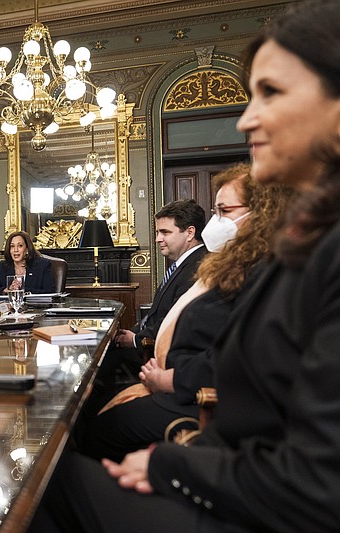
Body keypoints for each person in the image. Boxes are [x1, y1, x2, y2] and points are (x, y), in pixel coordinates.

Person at [30, 1, 340, 530]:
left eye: (273, 92)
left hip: (243, 509)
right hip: (223, 470)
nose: (247, 118)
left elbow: (318, 487)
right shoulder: (304, 244)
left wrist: (173, 463)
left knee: (31, 485)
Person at [78, 164, 290, 461]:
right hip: (178, 379)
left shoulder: (260, 272)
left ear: (262, 214)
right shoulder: (233, 265)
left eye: (223, 212)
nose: (215, 222)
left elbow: (236, 357)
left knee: (97, 429)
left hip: (197, 397)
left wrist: (167, 378)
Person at [97, 199, 207, 388]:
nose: (157, 239)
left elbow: (174, 322)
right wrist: (134, 331)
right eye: (158, 232)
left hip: (159, 355)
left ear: (189, 232)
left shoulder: (198, 268)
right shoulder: (182, 264)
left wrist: (135, 340)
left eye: (165, 232)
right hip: (148, 343)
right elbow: (157, 313)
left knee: (95, 365)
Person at [0, 231, 54, 295]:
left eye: (20, 246)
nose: (16, 250)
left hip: (36, 307)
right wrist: (6, 289)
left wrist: (22, 289)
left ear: (27, 249)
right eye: (12, 246)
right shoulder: (2, 266)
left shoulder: (42, 265)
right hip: (9, 307)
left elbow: (50, 292)